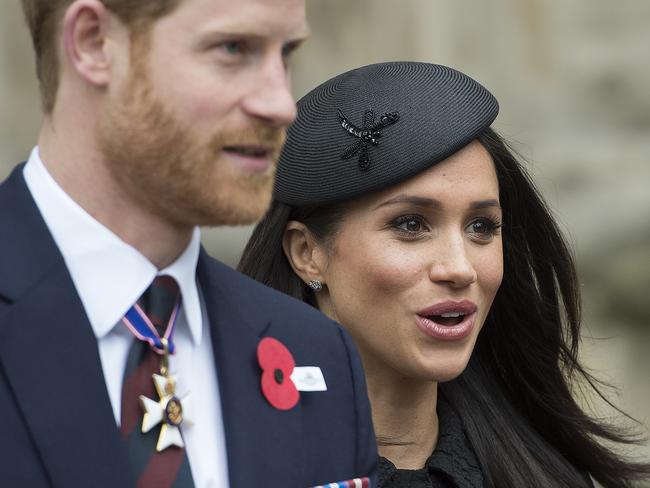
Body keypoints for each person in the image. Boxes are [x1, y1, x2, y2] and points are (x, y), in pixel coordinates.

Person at [0, 1, 377, 486]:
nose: (282, 103)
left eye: (285, 53)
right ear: (94, 42)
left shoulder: (316, 353)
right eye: (233, 49)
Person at [239, 62, 650, 487]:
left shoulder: (544, 475)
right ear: (307, 253)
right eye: (411, 224)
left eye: (482, 227)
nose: (459, 267)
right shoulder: (218, 463)